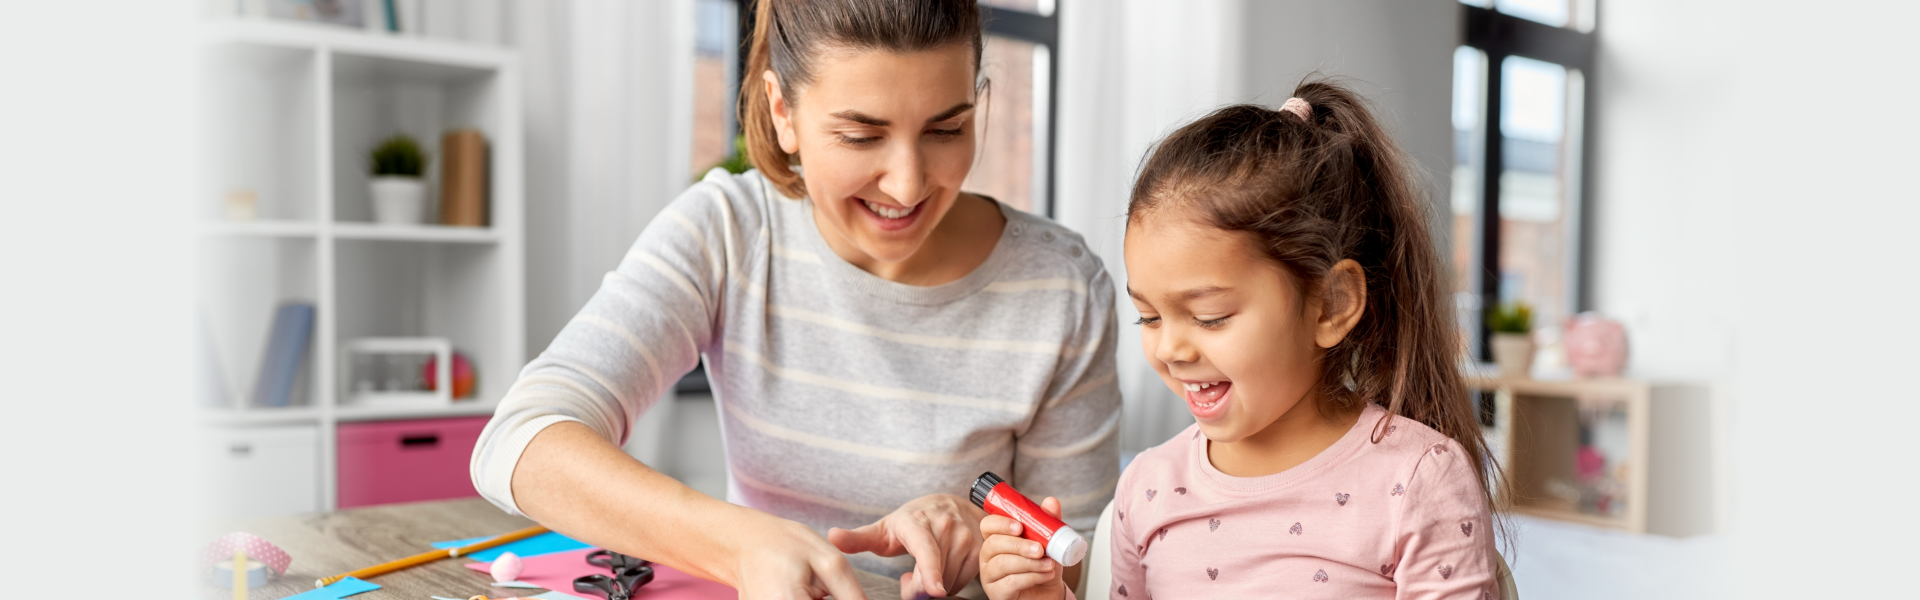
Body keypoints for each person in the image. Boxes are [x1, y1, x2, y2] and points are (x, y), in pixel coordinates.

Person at [469, 1, 1121, 599]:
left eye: (946, 129)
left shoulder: (1061, 288)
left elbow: (1087, 562)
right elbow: (519, 441)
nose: (908, 181)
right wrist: (742, 544)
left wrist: (982, 539)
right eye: (862, 135)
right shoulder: (729, 231)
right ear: (783, 112)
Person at [979, 81, 1501, 599]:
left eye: (1210, 317)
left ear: (1332, 304)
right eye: (1151, 317)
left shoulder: (1418, 480)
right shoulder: (1148, 487)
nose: (1171, 350)